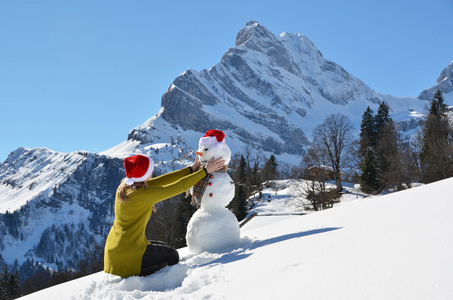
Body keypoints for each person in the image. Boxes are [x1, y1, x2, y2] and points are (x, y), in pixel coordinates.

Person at [104, 154, 225, 278]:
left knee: (163, 246)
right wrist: (205, 171)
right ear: (143, 174)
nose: (153, 171)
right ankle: (148, 280)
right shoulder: (144, 194)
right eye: (150, 169)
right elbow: (180, 186)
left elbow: (163, 180)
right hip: (129, 257)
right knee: (173, 256)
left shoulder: (126, 188)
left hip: (116, 251)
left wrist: (192, 169)